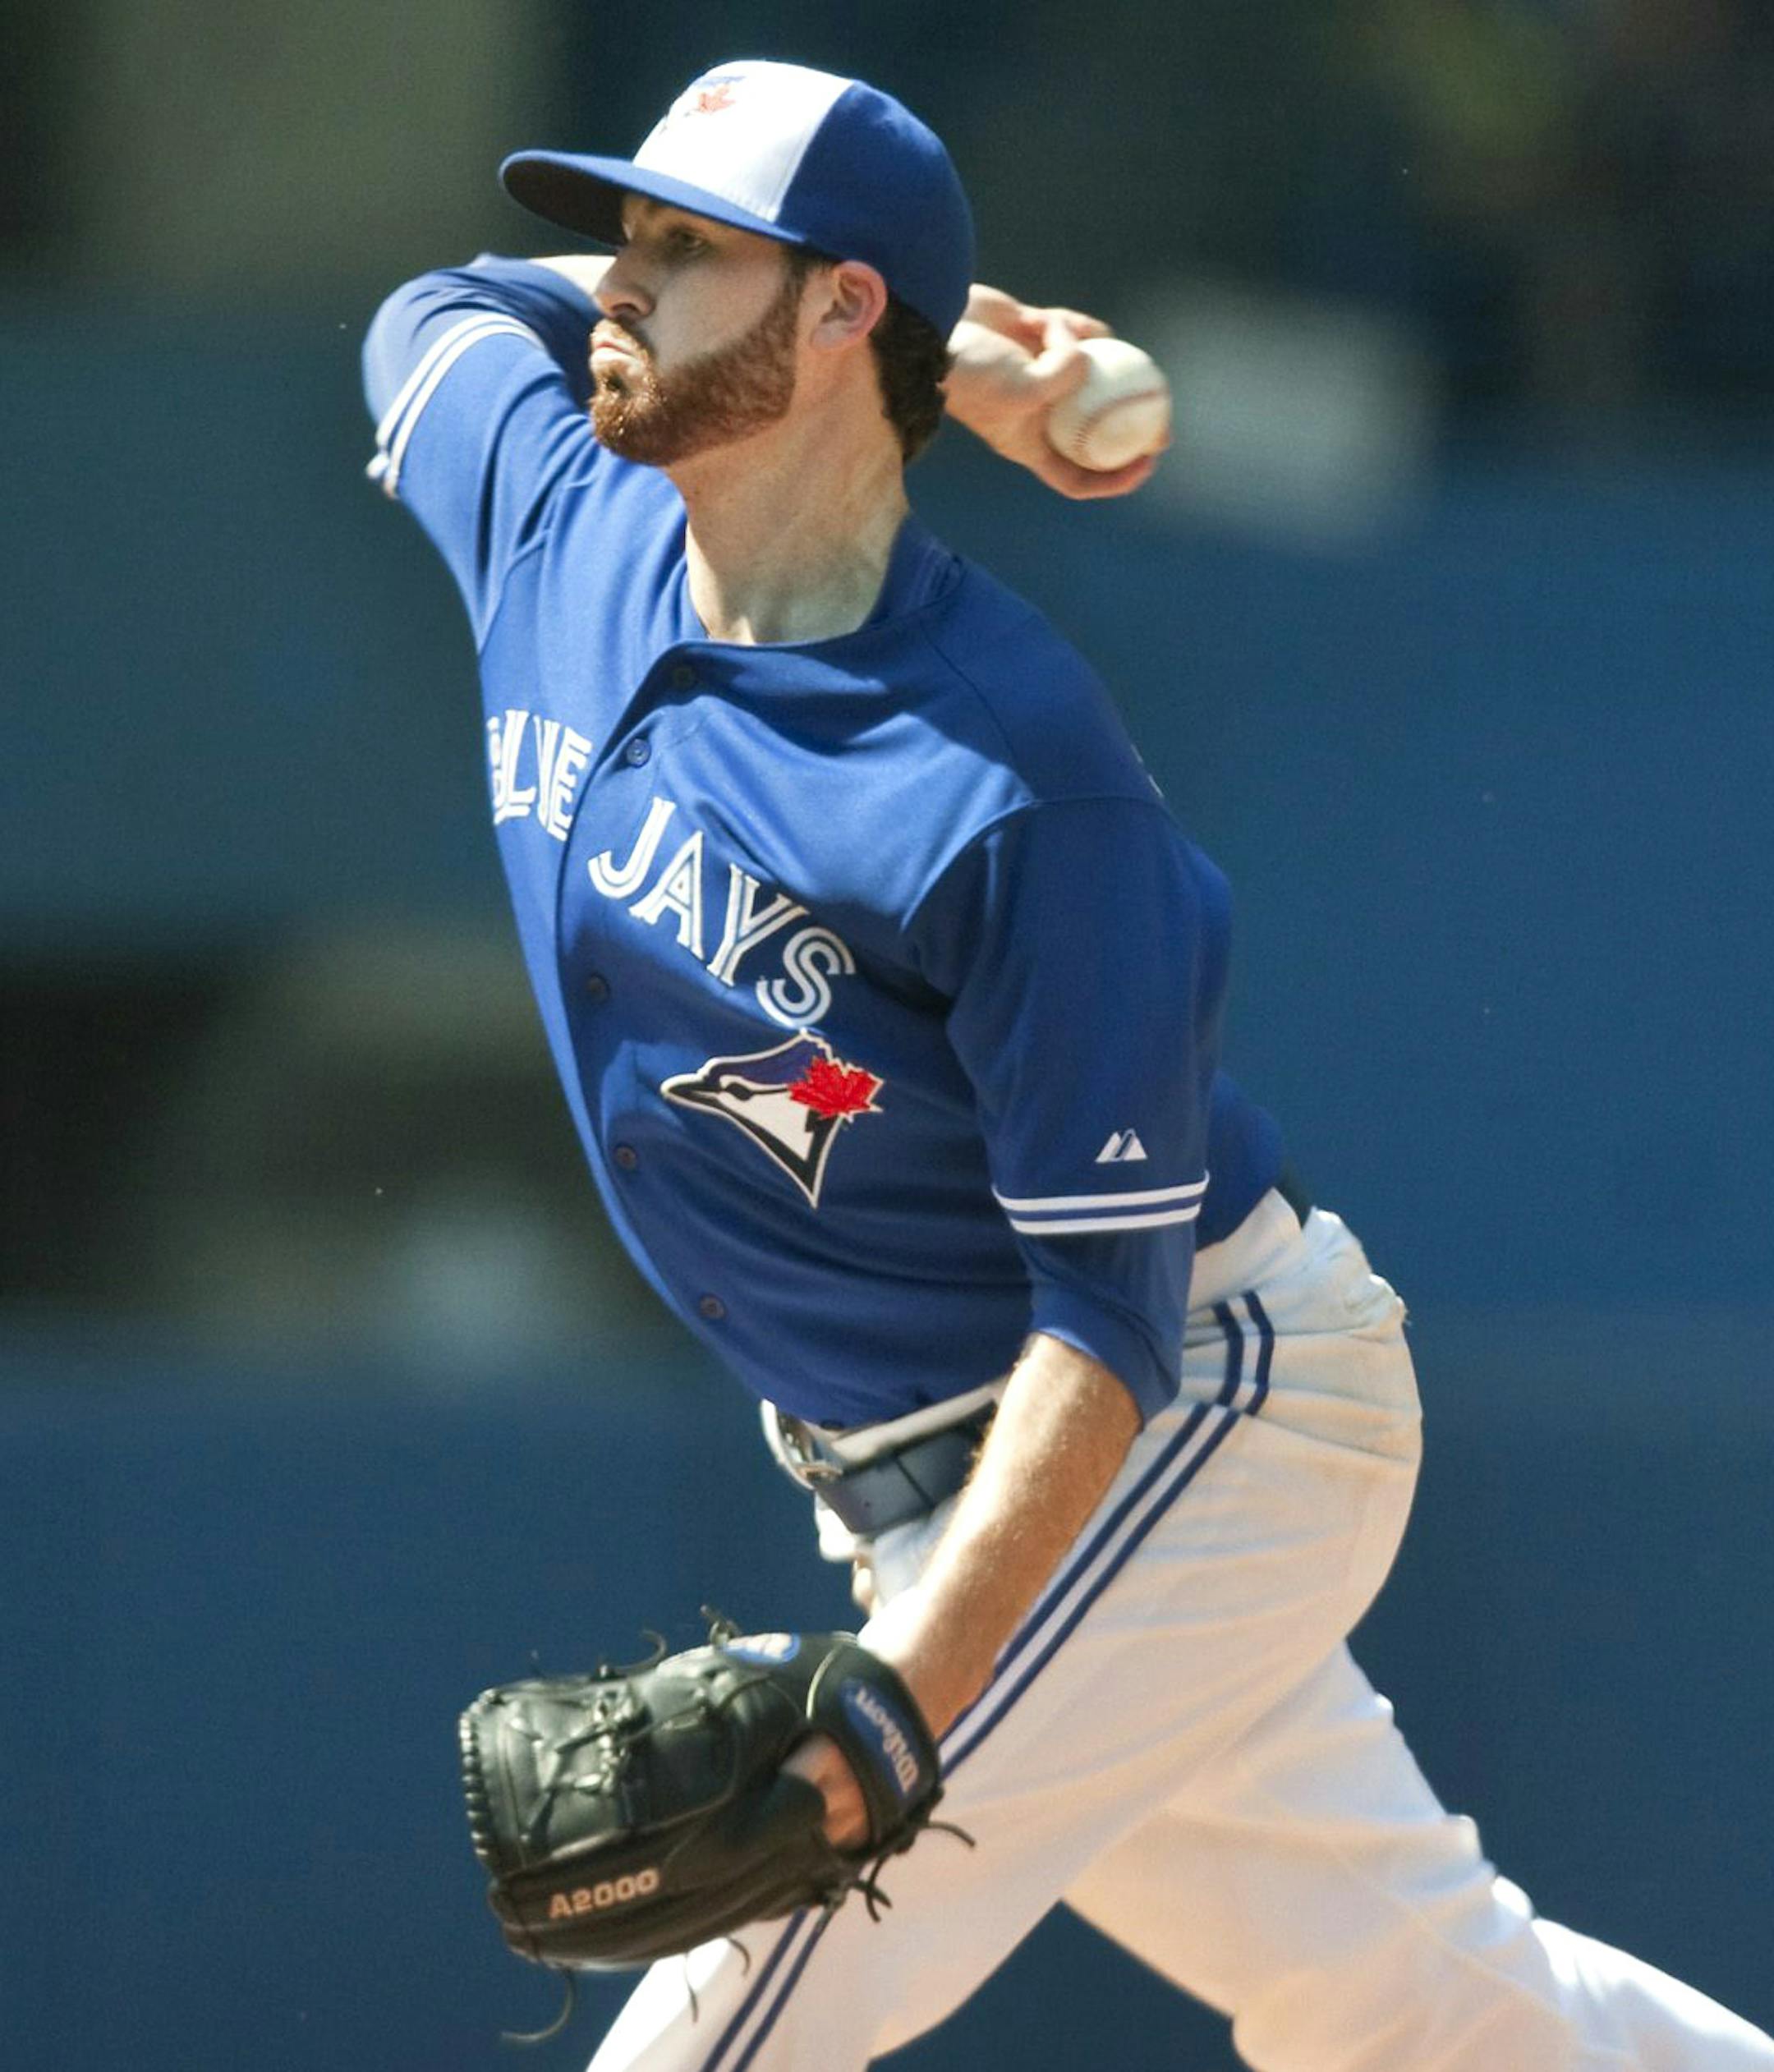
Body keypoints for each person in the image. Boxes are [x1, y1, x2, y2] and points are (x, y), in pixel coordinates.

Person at [362, 58, 1772, 2072]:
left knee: (724, 2028)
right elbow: (423, 313)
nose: (618, 281)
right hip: (910, 1470)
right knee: (1428, 2008)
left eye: (687, 248)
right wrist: (983, 345)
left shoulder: (1008, 772)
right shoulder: (551, 514)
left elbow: (1103, 1329)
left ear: (841, 309)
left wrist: (888, 1710)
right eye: (624, 232)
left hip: (1194, 1411)